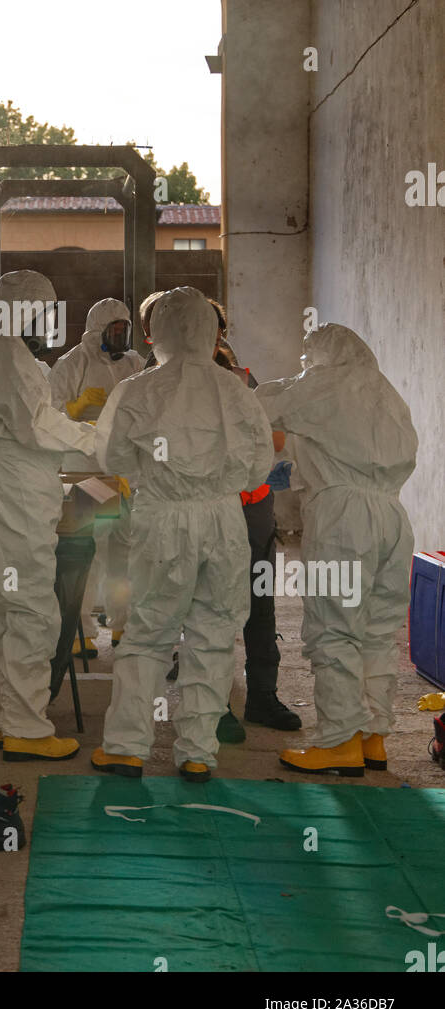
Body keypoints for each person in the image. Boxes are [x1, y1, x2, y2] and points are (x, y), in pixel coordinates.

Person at [90, 286, 274, 783]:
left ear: (158, 332)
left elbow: (109, 458)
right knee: (213, 635)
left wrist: (154, 474)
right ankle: (197, 752)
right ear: (211, 331)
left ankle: (128, 747)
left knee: (149, 633)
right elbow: (260, 467)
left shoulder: (139, 387)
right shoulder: (236, 388)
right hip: (223, 520)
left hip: (163, 516)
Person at [256, 323, 417, 775]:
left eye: (307, 360)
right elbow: (316, 458)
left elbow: (258, 407)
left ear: (319, 355)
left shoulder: (325, 382)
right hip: (393, 517)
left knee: (334, 628)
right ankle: (372, 738)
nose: (305, 367)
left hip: (344, 518)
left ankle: (338, 741)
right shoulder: (386, 395)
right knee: (377, 631)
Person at [0, 270, 98, 761]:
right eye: (41, 312)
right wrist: (95, 440)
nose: (45, 323)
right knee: (32, 607)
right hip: (14, 484)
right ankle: (26, 728)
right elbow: (35, 425)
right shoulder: (7, 351)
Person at [207, 300, 302, 739]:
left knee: (259, 603)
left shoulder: (243, 380)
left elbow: (277, 439)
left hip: (252, 509)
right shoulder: (163, 381)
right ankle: (215, 704)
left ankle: (262, 696)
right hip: (207, 509)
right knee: (210, 606)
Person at [50, 298, 143, 654]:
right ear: (97, 332)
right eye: (114, 330)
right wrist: (75, 412)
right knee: (86, 551)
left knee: (125, 551)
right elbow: (51, 415)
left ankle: (124, 625)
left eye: (125, 329)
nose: (121, 337)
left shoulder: (134, 363)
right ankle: (80, 630)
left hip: (124, 471)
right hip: (86, 469)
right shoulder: (72, 363)